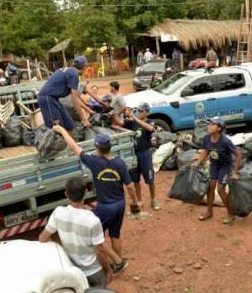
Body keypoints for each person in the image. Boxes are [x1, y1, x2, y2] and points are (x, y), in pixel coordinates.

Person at [53, 126, 140, 276]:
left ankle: (115, 263)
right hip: (120, 204)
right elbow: (130, 186)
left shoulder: (93, 162)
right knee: (115, 233)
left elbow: (74, 146)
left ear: (97, 148)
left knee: (97, 238)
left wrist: (62, 131)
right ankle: (117, 262)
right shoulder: (119, 162)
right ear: (110, 147)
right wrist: (136, 201)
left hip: (105, 207)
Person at [39, 179, 113, 287]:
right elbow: (100, 251)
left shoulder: (58, 212)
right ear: (85, 193)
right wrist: (109, 270)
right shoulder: (93, 221)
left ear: (66, 194)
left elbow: (42, 238)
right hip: (94, 272)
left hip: (73, 272)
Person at [192, 117, 242, 224]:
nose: (209, 126)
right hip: (214, 164)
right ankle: (209, 212)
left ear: (219, 128)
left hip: (225, 166)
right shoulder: (207, 138)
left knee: (220, 190)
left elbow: (238, 155)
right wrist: (197, 162)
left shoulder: (225, 141)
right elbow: (206, 151)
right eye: (209, 124)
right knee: (210, 187)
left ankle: (231, 213)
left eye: (213, 124)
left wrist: (235, 171)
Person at [37, 56, 90, 132]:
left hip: (54, 99)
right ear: (84, 67)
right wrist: (84, 119)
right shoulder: (74, 75)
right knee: (56, 127)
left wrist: (88, 109)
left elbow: (76, 98)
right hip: (47, 98)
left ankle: (70, 144)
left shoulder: (69, 70)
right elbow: (74, 99)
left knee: (69, 125)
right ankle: (57, 143)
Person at [124, 103, 161, 211]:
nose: (138, 113)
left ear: (147, 112)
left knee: (150, 178)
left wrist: (134, 117)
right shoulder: (132, 122)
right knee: (135, 179)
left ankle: (153, 199)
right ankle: (139, 200)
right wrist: (122, 112)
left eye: (141, 111)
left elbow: (150, 128)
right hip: (134, 153)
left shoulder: (150, 121)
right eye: (138, 111)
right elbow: (120, 123)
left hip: (145, 153)